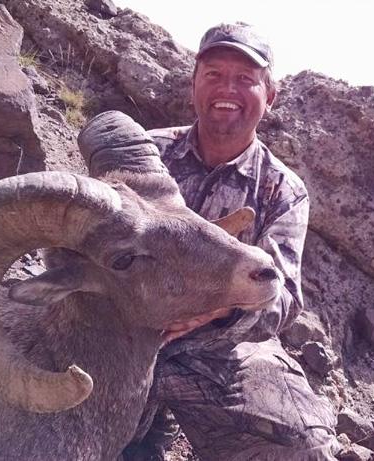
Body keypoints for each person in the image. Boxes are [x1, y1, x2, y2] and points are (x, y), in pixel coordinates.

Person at [122, 23, 340, 461]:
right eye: (214, 74)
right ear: (194, 84)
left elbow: (284, 296)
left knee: (304, 446)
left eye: (245, 79)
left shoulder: (283, 189)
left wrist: (216, 313)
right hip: (125, 331)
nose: (228, 89)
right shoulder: (142, 154)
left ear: (269, 95)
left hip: (222, 351)